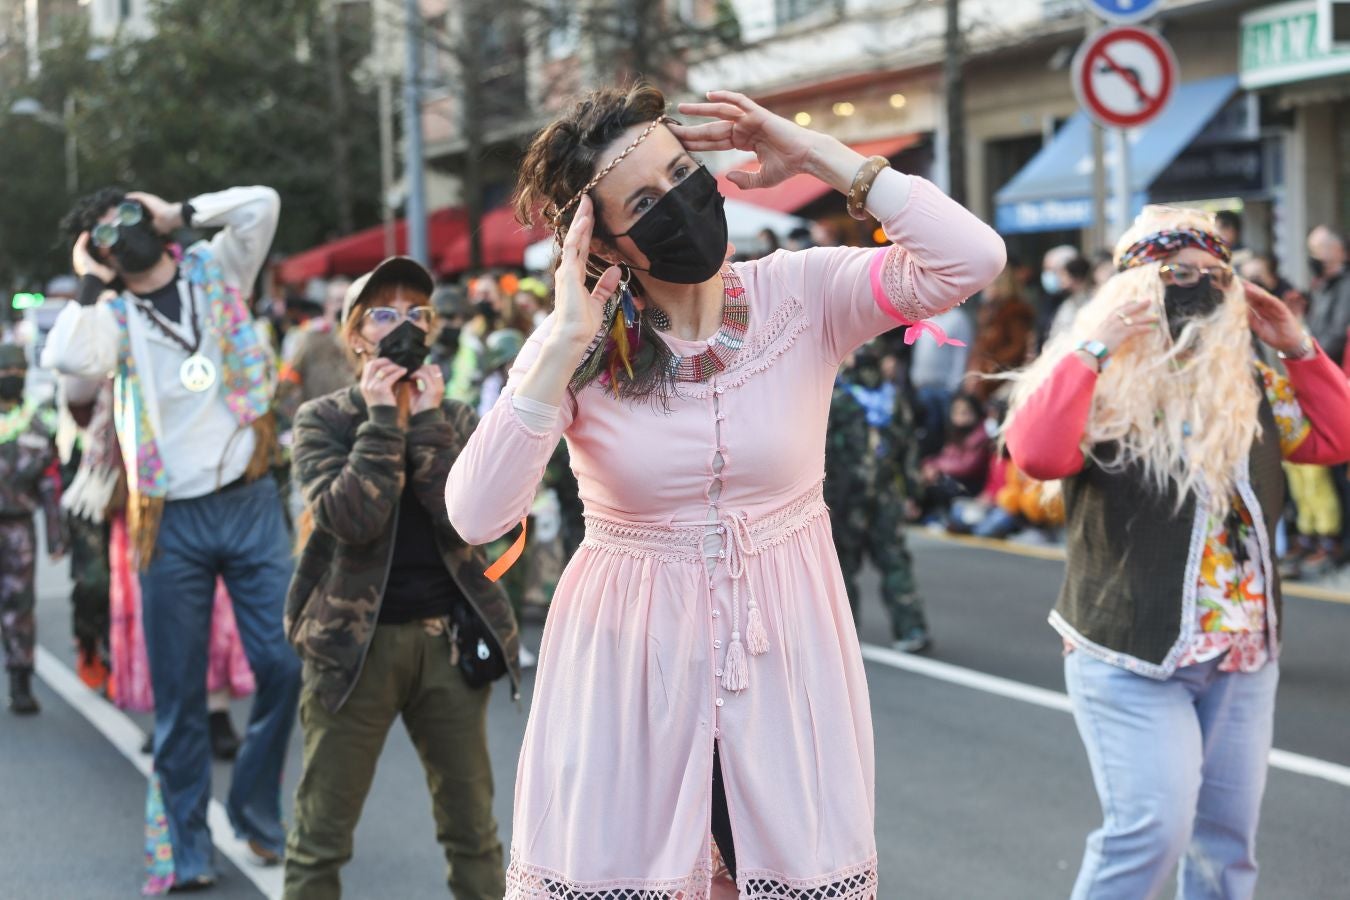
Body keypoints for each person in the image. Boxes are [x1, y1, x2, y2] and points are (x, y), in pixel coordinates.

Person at [445, 83, 1004, 896]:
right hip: (629, 670)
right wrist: (561, 343)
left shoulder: (804, 294)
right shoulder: (577, 344)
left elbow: (972, 258)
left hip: (784, 656)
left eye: (681, 172)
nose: (677, 200)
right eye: (644, 199)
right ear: (604, 239)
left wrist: (815, 154)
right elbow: (476, 513)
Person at [1004, 206, 1350, 900]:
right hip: (1129, 651)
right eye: (1172, 272)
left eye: (1208, 272)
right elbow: (1037, 454)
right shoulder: (1094, 374)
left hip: (1241, 654)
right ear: (1130, 286)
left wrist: (1298, 345)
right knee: (1151, 832)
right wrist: (1094, 344)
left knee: (1226, 851)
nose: (1191, 284)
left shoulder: (1248, 376)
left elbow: (1335, 439)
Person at [44, 185, 301, 891]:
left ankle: (252, 806)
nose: (118, 234)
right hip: (169, 517)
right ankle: (187, 847)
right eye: (102, 234)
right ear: (94, 254)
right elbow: (70, 358)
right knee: (181, 696)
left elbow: (262, 204)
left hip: (248, 498)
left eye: (125, 217)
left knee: (284, 665)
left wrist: (178, 213)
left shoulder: (217, 270)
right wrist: (91, 281)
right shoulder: (112, 316)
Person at [283, 256, 519, 899]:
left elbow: (465, 522)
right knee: (320, 838)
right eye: (384, 313)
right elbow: (350, 518)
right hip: (354, 649)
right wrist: (384, 420)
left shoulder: (457, 416)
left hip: (447, 642)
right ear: (356, 334)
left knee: (474, 832)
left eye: (417, 313)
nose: (403, 325)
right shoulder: (324, 419)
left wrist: (429, 426)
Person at [828, 347, 932, 652]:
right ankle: (911, 628)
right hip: (885, 496)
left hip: (844, 497)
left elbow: (819, 452)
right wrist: (914, 493)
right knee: (894, 562)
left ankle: (843, 637)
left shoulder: (837, 399)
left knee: (844, 567)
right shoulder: (893, 400)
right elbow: (909, 452)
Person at [0, 343, 66, 714]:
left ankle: (20, 683)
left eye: (17, 371)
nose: (11, 378)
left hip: (18, 528)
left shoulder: (37, 422)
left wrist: (56, 536)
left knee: (19, 606)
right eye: (4, 371)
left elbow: (48, 485)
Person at [276, 277, 356, 422]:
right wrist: (298, 418)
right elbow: (287, 382)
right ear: (327, 304)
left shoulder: (362, 339)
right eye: (339, 300)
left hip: (354, 421)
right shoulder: (309, 337)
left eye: (349, 300)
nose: (343, 306)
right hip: (320, 422)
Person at [916, 392, 992, 520]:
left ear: (976, 412)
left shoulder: (981, 437)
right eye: (956, 411)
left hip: (969, 487)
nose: (960, 415)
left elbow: (967, 466)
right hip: (951, 480)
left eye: (965, 411)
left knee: (935, 488)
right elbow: (944, 457)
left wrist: (937, 468)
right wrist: (929, 466)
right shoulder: (955, 434)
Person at [909, 303, 972, 451]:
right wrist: (915, 376)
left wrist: (955, 384)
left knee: (947, 431)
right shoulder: (925, 317)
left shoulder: (958, 319)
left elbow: (961, 354)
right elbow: (917, 348)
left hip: (945, 388)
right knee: (926, 430)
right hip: (923, 386)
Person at [1306, 225, 1350, 367]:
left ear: (1338, 250)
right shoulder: (1321, 285)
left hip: (1335, 370)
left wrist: (1313, 358)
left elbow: (1338, 333)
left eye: (1318, 250)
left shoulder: (1346, 285)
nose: (1314, 257)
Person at [1047, 254, 1095, 341]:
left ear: (1077, 278)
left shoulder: (1093, 300)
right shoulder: (1068, 301)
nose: (1061, 279)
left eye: (1064, 275)